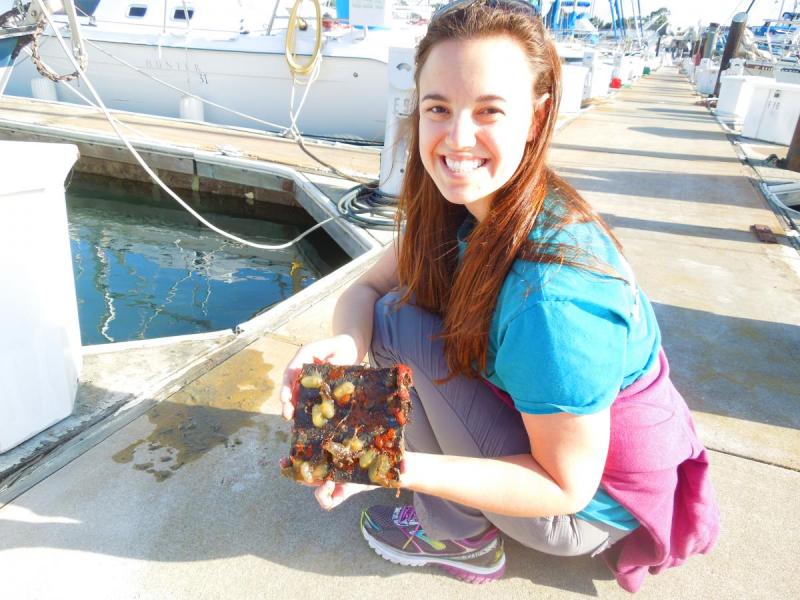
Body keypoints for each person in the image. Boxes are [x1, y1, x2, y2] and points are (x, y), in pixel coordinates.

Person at [280, 0, 719, 592]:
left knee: (398, 327)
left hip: (581, 511)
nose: (458, 137)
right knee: (389, 317)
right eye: (439, 108)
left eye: (489, 110)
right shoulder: (465, 207)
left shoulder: (554, 301)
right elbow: (370, 285)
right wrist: (345, 344)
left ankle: (461, 540)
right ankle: (447, 501)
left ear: (536, 118)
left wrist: (382, 464)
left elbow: (566, 487)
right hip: (567, 457)